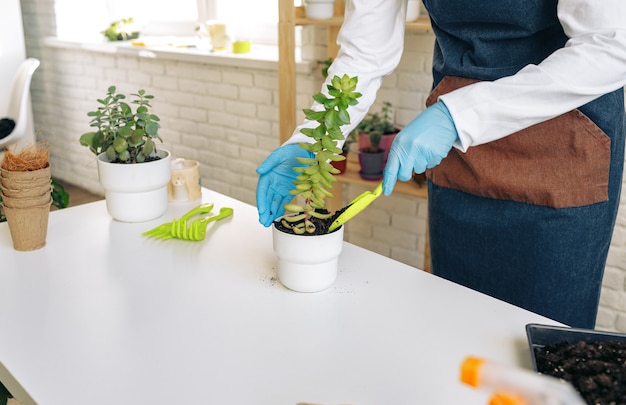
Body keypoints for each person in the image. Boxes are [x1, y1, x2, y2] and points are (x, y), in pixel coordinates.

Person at [256, 0, 626, 329]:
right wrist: (312, 138)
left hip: (564, 146)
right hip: (461, 158)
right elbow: (364, 52)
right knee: (454, 329)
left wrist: (457, 116)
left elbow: (610, 44)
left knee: (545, 349)